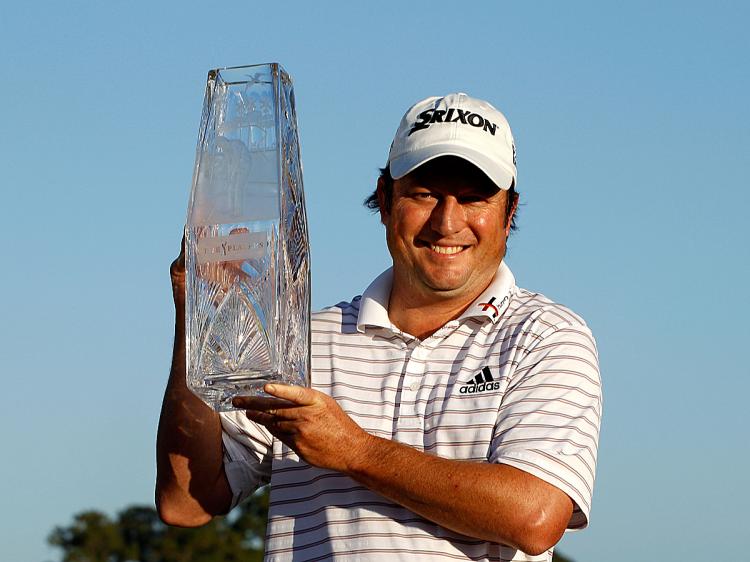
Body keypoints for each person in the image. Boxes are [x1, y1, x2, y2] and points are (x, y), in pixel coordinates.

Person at [156, 92, 602, 562]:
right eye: (424, 193)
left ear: (509, 214)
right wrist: (196, 313)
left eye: (474, 198)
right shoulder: (302, 341)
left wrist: (355, 451)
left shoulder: (546, 335)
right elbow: (185, 503)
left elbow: (535, 518)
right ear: (386, 200)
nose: (447, 222)